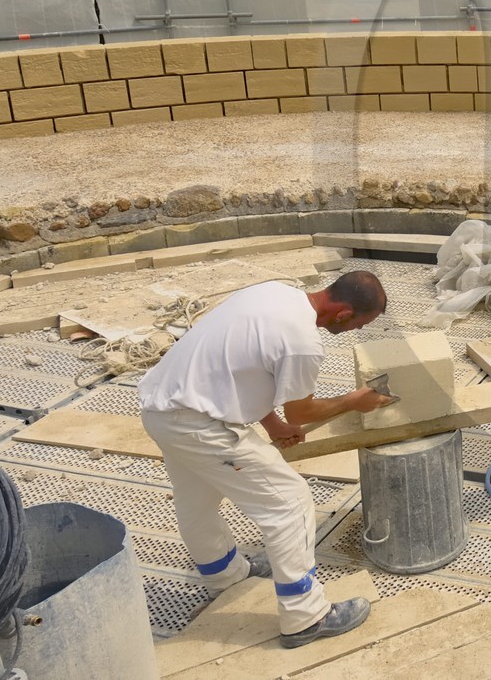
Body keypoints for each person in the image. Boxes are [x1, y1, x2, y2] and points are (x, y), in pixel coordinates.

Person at [139, 271, 396, 649]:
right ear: (343, 313)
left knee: (197, 498)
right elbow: (302, 410)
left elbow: (243, 367)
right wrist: (353, 401)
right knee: (289, 502)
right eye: (360, 323)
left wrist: (272, 423)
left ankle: (224, 575)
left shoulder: (272, 294)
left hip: (162, 406)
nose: (355, 329)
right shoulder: (302, 342)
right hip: (198, 424)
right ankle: (306, 616)